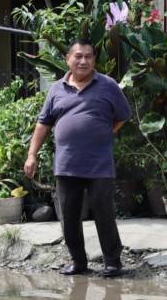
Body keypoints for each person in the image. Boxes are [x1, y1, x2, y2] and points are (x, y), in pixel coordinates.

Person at [24, 39, 130, 277]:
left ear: (94, 60)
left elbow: (123, 115)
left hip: (99, 164)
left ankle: (113, 262)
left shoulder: (108, 85)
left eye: (89, 57)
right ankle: (78, 262)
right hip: (67, 163)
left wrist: (106, 131)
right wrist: (32, 155)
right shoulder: (56, 89)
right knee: (69, 216)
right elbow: (43, 124)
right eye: (78, 56)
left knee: (104, 214)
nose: (83, 61)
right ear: (68, 60)